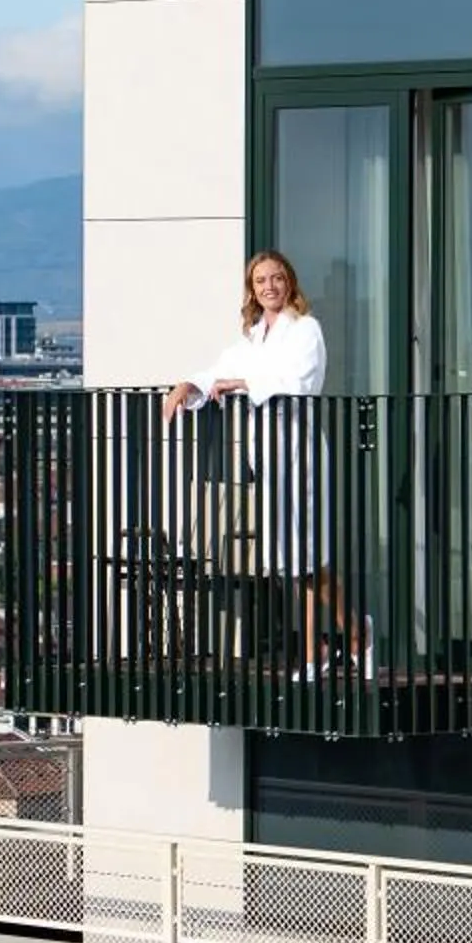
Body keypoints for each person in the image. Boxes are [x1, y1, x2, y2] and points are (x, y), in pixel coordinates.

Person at [162, 251, 364, 672]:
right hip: (268, 461)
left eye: (275, 278)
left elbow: (299, 382)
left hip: (299, 453)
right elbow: (221, 369)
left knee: (308, 557)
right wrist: (188, 384)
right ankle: (348, 634)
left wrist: (243, 383)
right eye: (260, 281)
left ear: (289, 281)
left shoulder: (306, 330)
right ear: (252, 290)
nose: (269, 286)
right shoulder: (254, 336)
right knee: (290, 561)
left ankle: (320, 649)